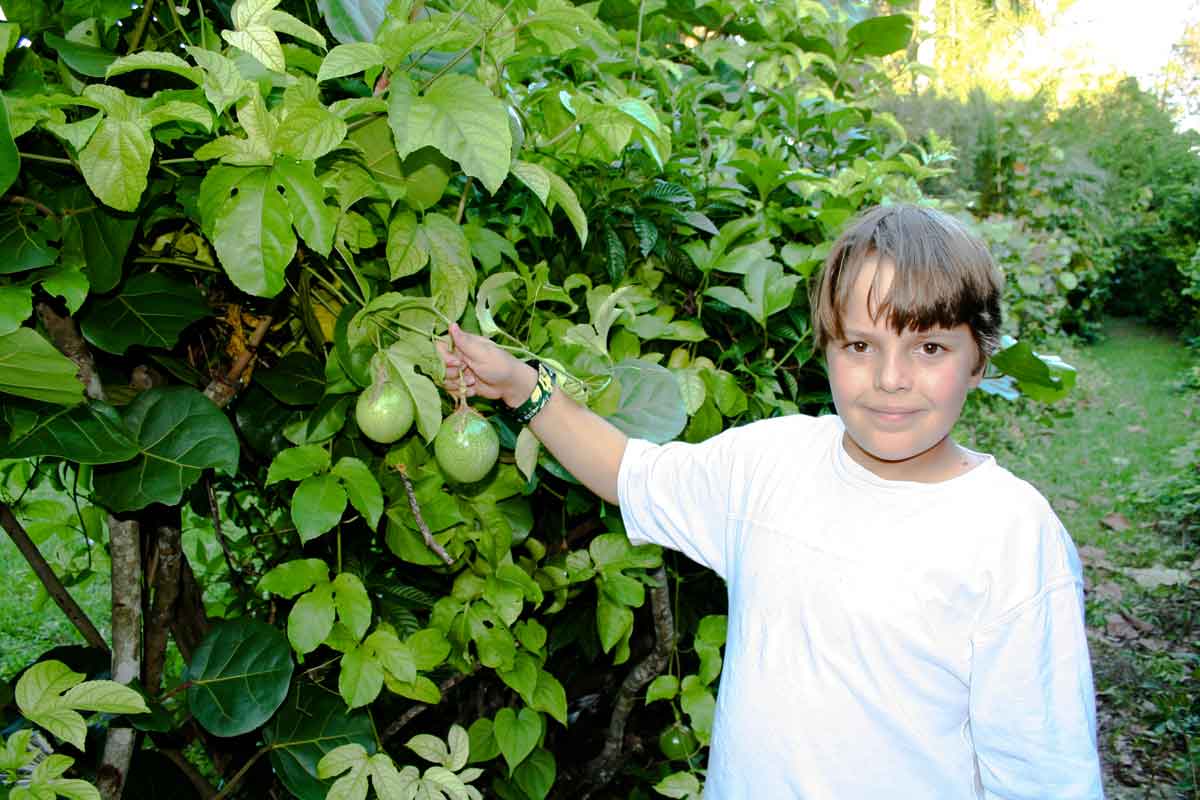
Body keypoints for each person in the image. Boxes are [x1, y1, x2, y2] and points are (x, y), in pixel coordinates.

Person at [437, 204, 1103, 799]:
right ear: (827, 348)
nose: (891, 379)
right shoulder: (771, 463)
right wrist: (521, 385)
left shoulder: (1011, 534)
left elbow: (1044, 774)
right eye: (860, 346)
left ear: (980, 358)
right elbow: (627, 473)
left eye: (929, 347)